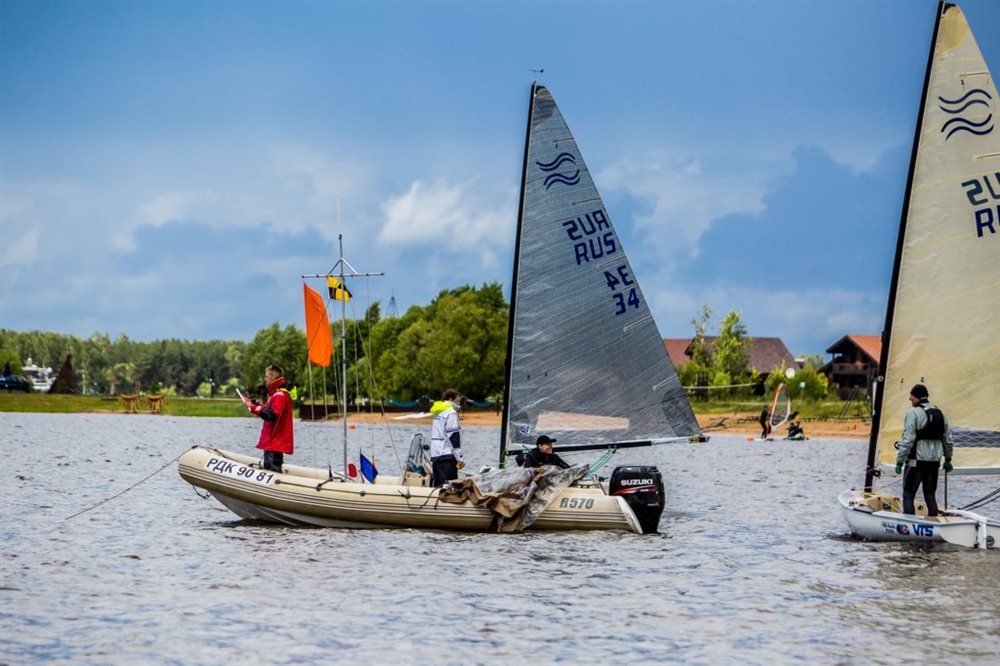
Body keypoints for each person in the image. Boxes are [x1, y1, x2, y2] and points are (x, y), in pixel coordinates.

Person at [894, 383, 954, 516]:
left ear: (918, 397)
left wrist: (899, 462)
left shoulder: (913, 413)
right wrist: (948, 459)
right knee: (930, 495)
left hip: (915, 462)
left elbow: (908, 440)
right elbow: (948, 440)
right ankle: (934, 522)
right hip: (934, 463)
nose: (909, 398)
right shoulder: (941, 414)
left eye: (912, 396)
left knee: (908, 494)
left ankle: (908, 524)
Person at [240, 364, 294, 473]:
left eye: (267, 376)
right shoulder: (275, 394)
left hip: (275, 442)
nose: (265, 379)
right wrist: (257, 405)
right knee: (269, 468)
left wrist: (254, 407)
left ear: (273, 377)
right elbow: (269, 410)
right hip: (273, 442)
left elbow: (272, 415)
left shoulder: (279, 395)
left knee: (273, 469)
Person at [429, 389, 464, 486]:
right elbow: (453, 436)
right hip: (447, 455)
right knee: (449, 487)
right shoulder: (451, 413)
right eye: (457, 401)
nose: (459, 404)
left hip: (435, 455)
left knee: (439, 485)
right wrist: (459, 458)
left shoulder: (438, 412)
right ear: (450, 399)